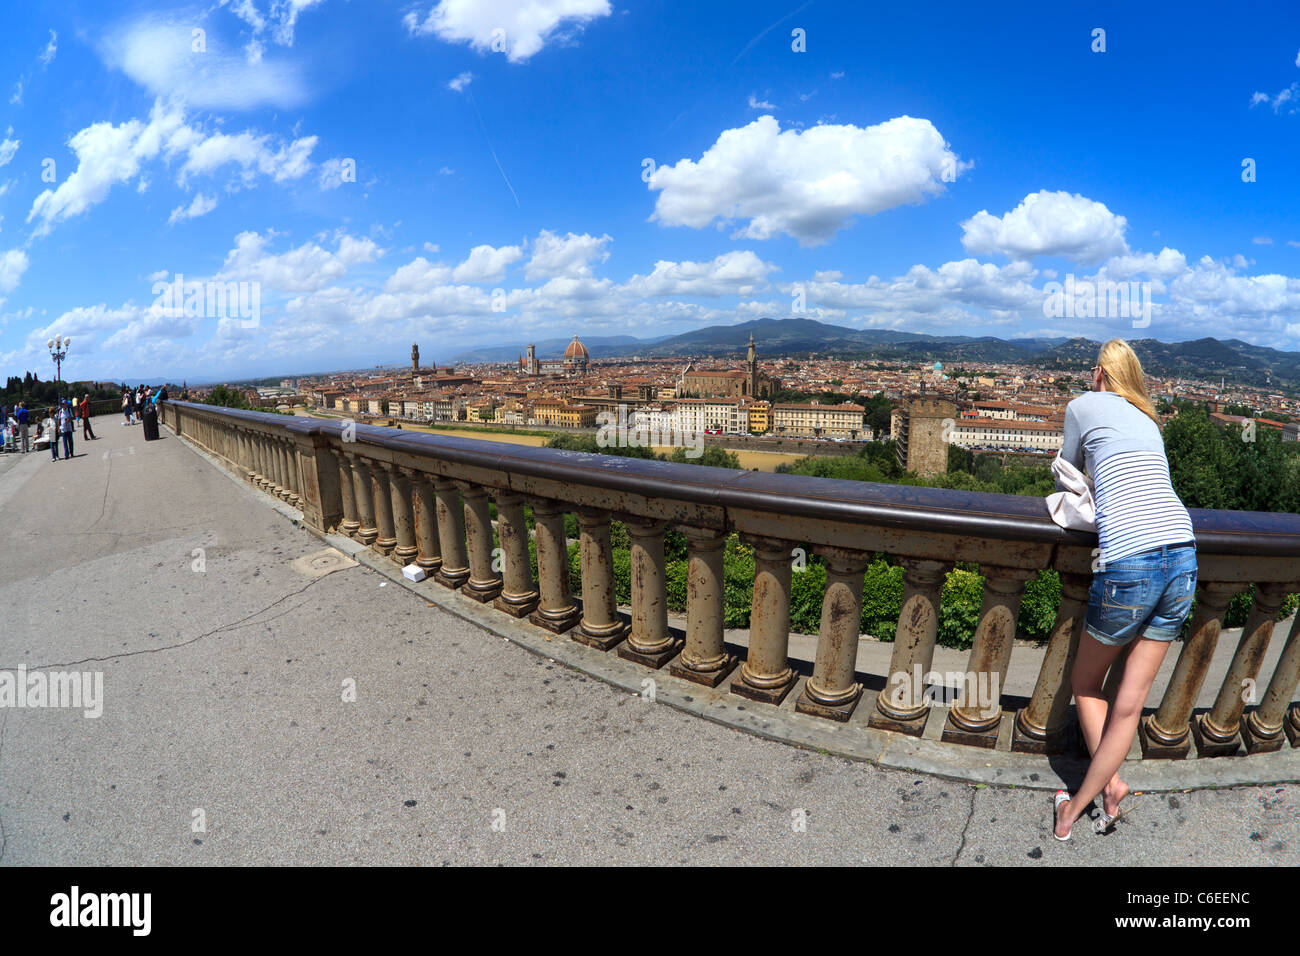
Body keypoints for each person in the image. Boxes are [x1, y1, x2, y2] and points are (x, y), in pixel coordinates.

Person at [1052, 339, 1197, 841]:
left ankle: (1071, 811)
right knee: (1130, 705)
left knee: (1087, 684)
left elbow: (1068, 469)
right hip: (1183, 555)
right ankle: (1110, 788)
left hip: (1130, 559)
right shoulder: (1150, 421)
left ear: (1098, 374)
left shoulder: (1080, 406)